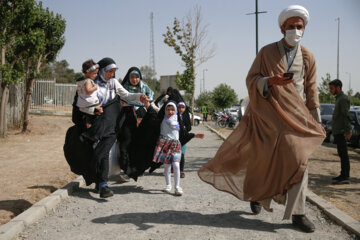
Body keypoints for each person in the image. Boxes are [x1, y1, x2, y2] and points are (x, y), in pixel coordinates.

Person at [198, 5, 325, 233]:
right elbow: (252, 79)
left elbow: (312, 90)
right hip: (267, 119)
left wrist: (315, 122)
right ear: (282, 28)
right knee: (262, 161)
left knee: (300, 161)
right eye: (291, 26)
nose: (295, 30)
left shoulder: (307, 56)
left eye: (299, 27)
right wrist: (270, 81)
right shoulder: (266, 52)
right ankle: (256, 195)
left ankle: (298, 213)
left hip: (296, 121)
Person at [64, 57, 147, 198]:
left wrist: (140, 97)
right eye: (109, 71)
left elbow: (126, 95)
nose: (111, 74)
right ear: (102, 70)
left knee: (102, 151)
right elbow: (82, 104)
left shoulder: (113, 83)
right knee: (96, 152)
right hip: (94, 124)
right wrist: (93, 111)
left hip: (111, 124)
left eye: (114, 72)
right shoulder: (90, 84)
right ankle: (98, 181)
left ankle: (103, 185)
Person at [329, 79, 351, 184]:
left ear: (338, 88)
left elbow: (346, 116)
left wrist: (348, 131)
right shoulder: (338, 99)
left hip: (342, 131)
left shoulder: (342, 99)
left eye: (332, 88)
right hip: (338, 131)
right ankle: (342, 175)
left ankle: (345, 177)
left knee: (344, 154)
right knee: (341, 154)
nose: (330, 90)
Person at [75, 60, 100, 129]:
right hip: (89, 104)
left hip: (82, 104)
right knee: (95, 115)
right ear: (88, 72)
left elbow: (78, 90)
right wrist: (95, 87)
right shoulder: (88, 81)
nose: (96, 75)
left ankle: (87, 123)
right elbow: (88, 91)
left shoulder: (80, 81)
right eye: (94, 73)